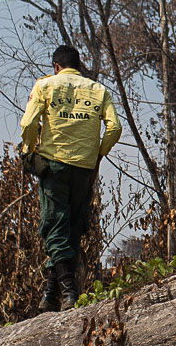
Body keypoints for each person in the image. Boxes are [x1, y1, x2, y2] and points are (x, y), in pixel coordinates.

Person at [20, 43, 121, 312]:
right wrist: (99, 155)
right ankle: (51, 294)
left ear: (56, 67)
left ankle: (69, 290)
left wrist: (28, 151)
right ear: (78, 67)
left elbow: (28, 124)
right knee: (72, 228)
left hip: (55, 166)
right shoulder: (98, 90)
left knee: (54, 226)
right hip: (85, 168)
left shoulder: (45, 85)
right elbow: (115, 127)